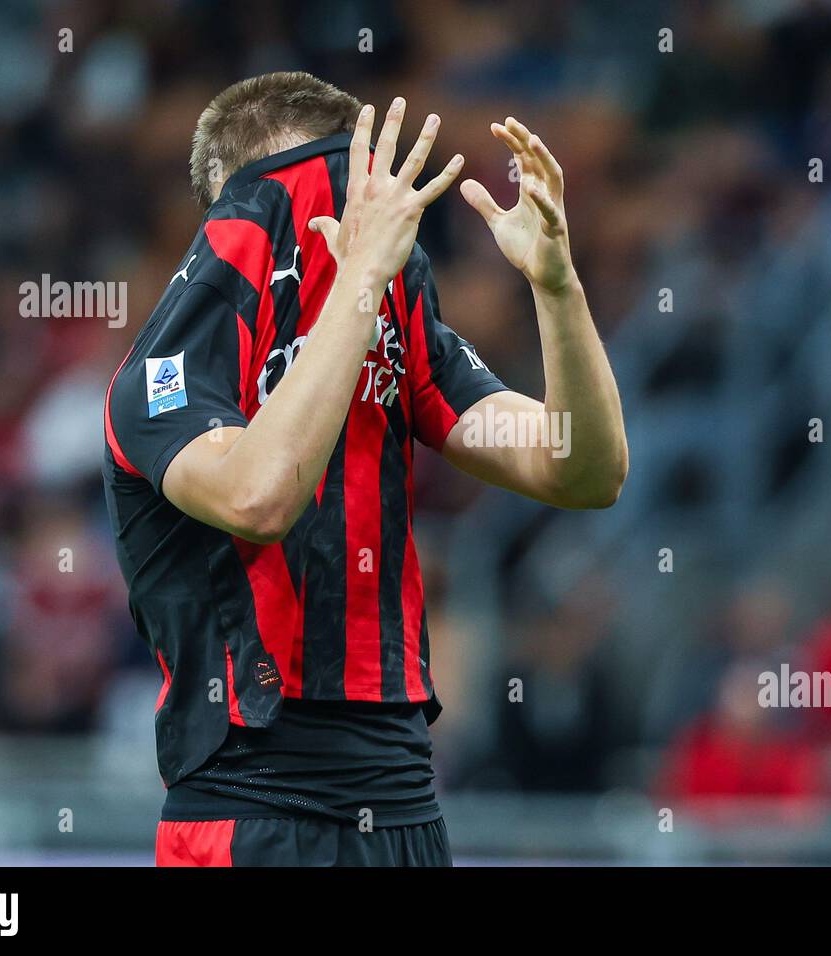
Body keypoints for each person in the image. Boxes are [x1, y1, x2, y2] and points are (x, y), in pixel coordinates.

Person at [101, 72, 627, 866]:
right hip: (254, 807)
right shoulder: (162, 376)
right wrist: (357, 282)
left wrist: (556, 286)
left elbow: (582, 470)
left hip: (406, 804)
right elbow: (259, 496)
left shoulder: (398, 327)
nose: (365, 208)